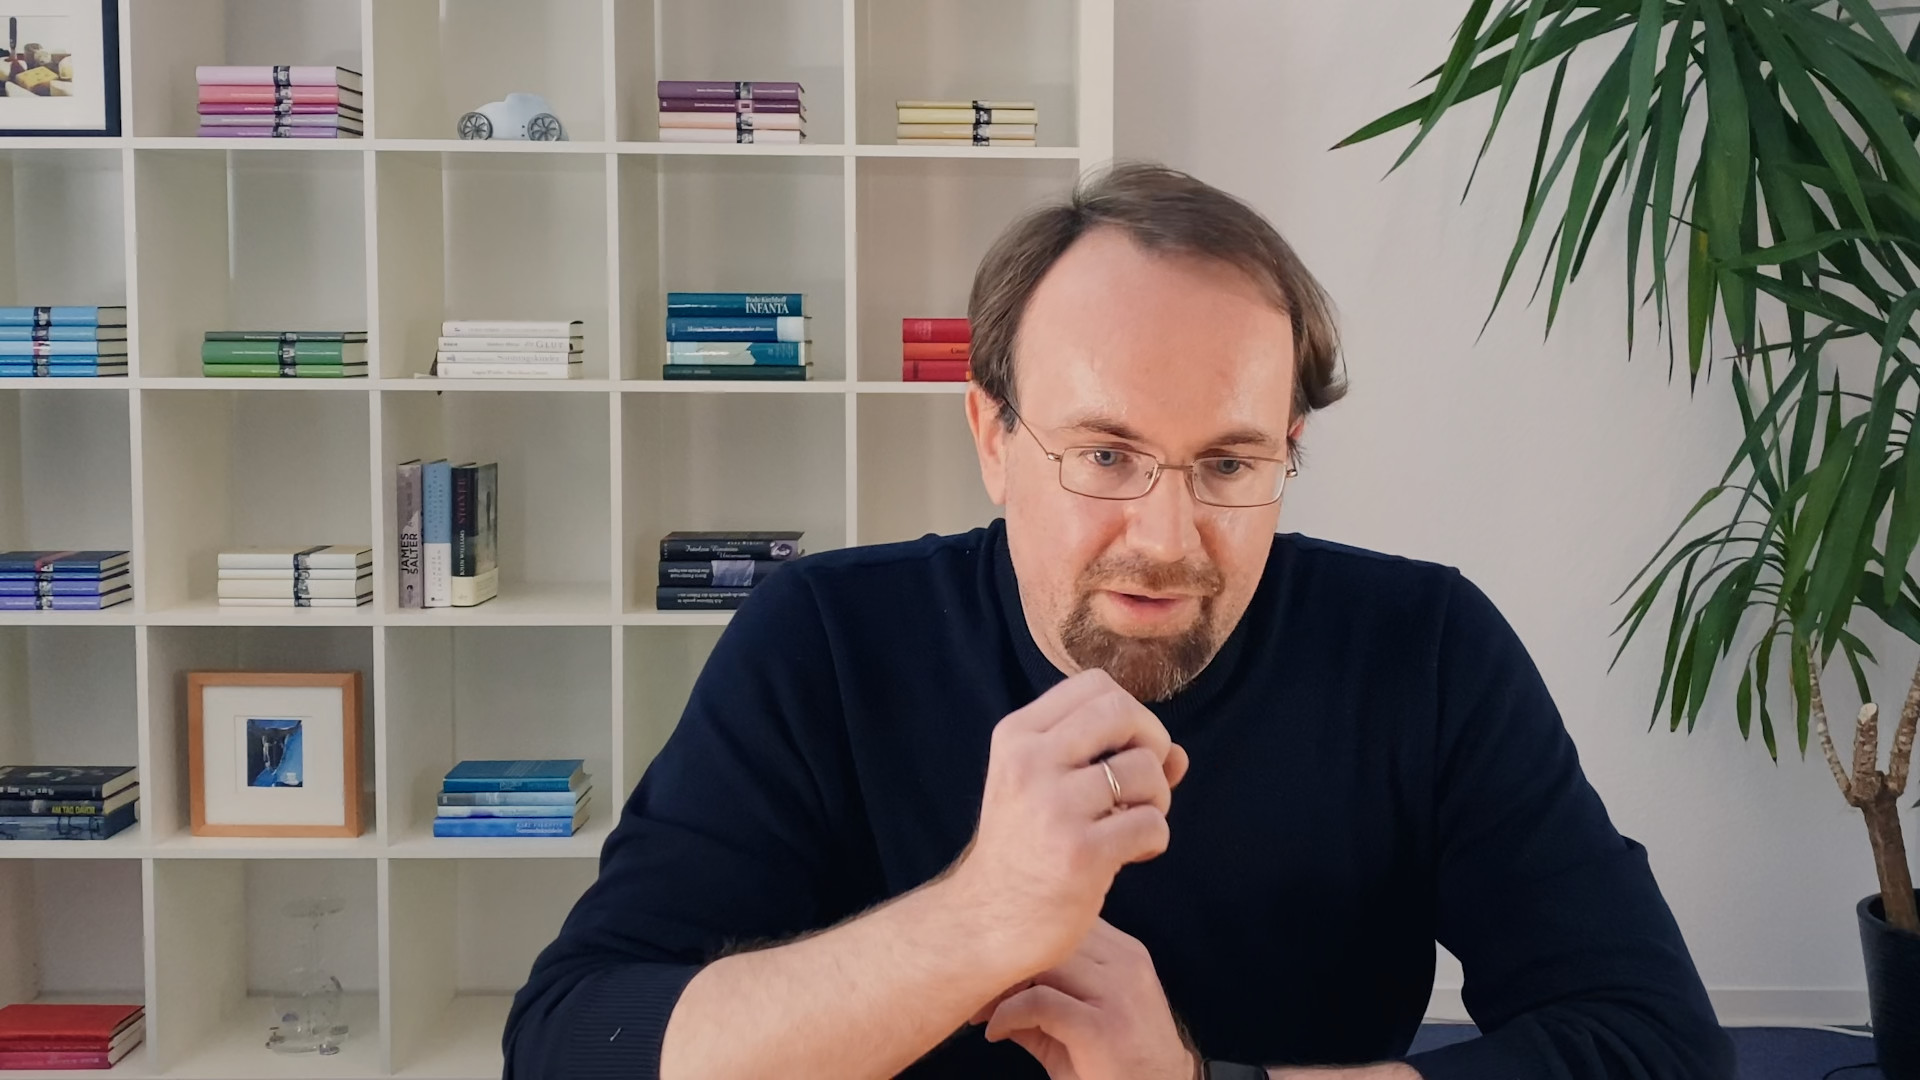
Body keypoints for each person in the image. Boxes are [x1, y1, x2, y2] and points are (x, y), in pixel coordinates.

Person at [503, 162, 1734, 1080]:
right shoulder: (822, 637)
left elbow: (1655, 1043)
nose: (1163, 534)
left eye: (1228, 464)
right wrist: (980, 916)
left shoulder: (1420, 649)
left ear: (1289, 450)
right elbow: (572, 1041)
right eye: (1104, 454)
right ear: (992, 438)